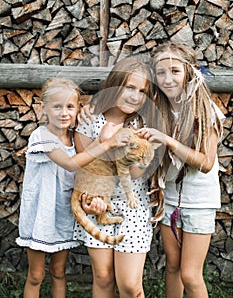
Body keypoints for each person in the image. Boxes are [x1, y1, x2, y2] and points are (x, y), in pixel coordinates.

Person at [16, 77, 130, 298]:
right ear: (44, 108)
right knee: (36, 275)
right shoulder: (42, 137)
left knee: (59, 272)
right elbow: (70, 163)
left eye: (70, 107)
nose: (64, 113)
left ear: (79, 108)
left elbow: (86, 163)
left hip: (63, 215)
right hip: (41, 215)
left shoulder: (74, 138)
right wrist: (106, 142)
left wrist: (96, 128)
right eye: (57, 107)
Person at [137, 41, 225, 298]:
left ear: (189, 71)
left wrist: (167, 140)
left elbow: (206, 163)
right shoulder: (158, 109)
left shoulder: (203, 109)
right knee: (172, 267)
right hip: (170, 198)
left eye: (174, 71)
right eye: (161, 72)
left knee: (190, 273)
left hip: (198, 201)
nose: (167, 79)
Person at [73, 57, 156, 298]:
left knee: (130, 285)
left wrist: (122, 147)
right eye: (129, 87)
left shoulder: (142, 124)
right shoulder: (90, 119)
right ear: (115, 84)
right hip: (98, 204)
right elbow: (86, 168)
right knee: (103, 276)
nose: (135, 96)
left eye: (142, 91)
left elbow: (137, 172)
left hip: (133, 207)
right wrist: (90, 201)